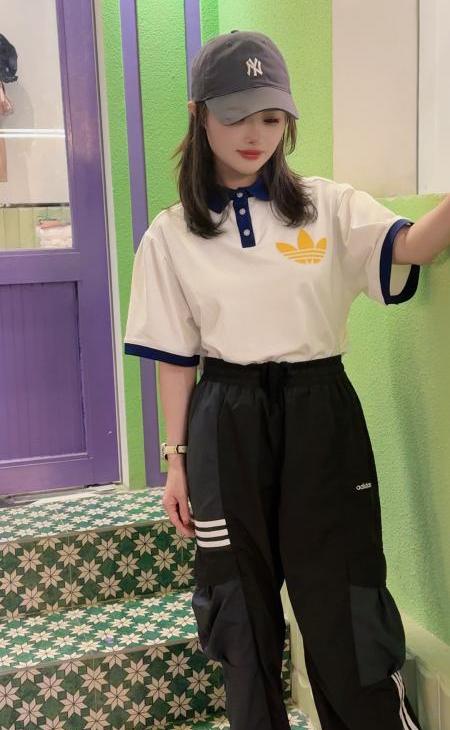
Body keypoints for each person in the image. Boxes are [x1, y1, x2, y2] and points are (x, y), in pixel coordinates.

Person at [124, 28, 449, 730]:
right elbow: (176, 358)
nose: (255, 134)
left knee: (344, 601)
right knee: (238, 610)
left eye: (271, 118)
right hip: (224, 418)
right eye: (236, 115)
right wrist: (175, 461)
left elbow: (413, 246)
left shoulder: (330, 206)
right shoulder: (171, 234)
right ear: (200, 115)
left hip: (319, 412)